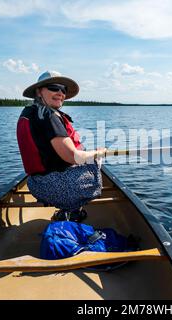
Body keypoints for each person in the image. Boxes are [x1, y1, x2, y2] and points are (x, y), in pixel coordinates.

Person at [17, 71, 106, 221]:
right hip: (58, 188)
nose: (60, 93)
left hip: (37, 185)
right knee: (94, 162)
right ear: (39, 92)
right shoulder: (49, 116)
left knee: (85, 161)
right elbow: (73, 157)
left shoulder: (30, 113)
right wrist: (97, 154)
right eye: (54, 87)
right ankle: (72, 211)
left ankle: (68, 209)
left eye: (63, 90)